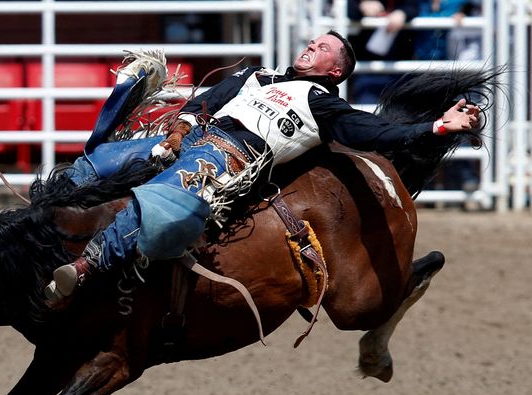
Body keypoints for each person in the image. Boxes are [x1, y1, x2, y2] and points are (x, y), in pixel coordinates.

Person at [25, 32, 480, 306]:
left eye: (322, 47)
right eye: (312, 41)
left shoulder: (325, 106)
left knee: (161, 202)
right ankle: (30, 220)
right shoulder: (256, 76)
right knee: (99, 163)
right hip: (193, 138)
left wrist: (440, 126)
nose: (311, 46)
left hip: (229, 158)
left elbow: (380, 134)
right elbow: (207, 100)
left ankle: (86, 266)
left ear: (335, 69)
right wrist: (180, 128)